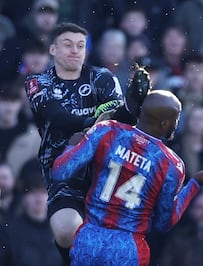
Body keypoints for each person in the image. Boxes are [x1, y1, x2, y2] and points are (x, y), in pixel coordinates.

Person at [51, 90, 203, 265]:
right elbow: (165, 222)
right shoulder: (171, 164)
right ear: (164, 123)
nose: (177, 123)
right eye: (176, 118)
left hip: (90, 238)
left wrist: (70, 147)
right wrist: (194, 184)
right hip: (127, 248)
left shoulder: (106, 130)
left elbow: (61, 172)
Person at [24, 22, 149, 264]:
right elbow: (57, 117)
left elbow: (121, 119)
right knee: (65, 229)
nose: (74, 50)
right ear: (52, 49)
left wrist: (133, 105)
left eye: (80, 46)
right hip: (63, 172)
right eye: (67, 44)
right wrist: (96, 119)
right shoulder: (38, 81)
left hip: (107, 171)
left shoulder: (101, 77)